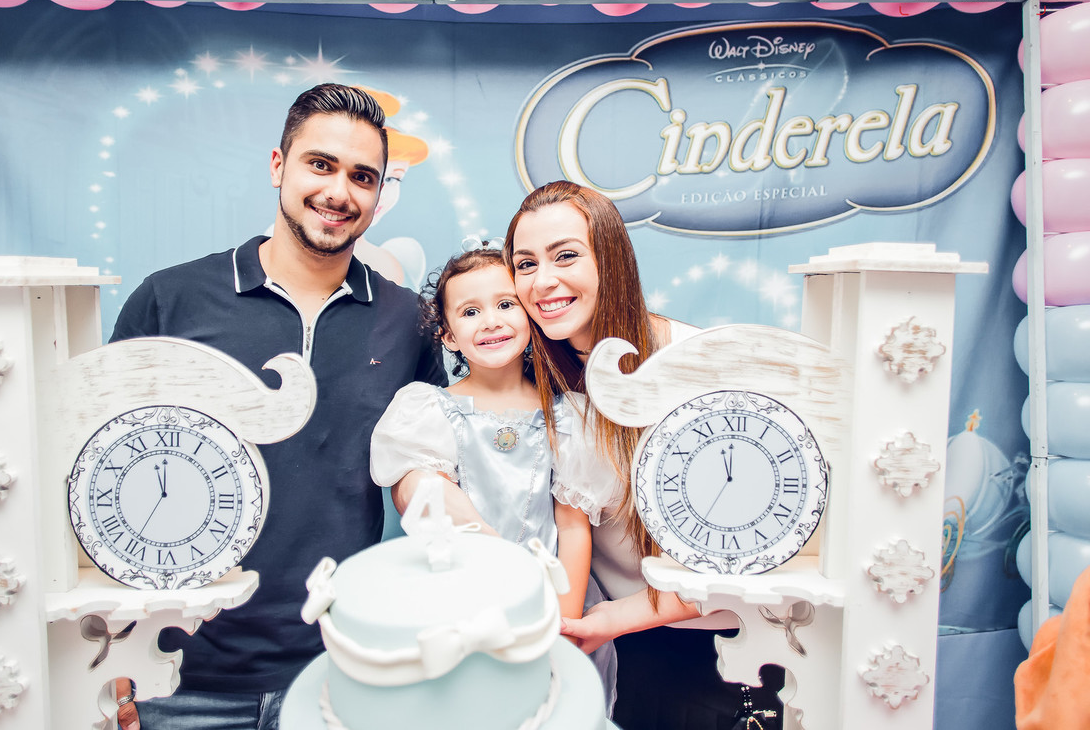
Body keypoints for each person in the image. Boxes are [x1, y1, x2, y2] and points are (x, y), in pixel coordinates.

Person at [109, 82, 445, 729]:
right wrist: (119, 658)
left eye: (362, 176)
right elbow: (108, 481)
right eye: (320, 164)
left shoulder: (409, 322)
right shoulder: (171, 301)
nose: (339, 192)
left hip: (340, 675)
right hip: (180, 676)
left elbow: (423, 474)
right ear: (277, 166)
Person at [503, 180, 783, 730]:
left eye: (565, 256)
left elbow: (761, 542)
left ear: (610, 259)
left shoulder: (697, 365)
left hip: (738, 651)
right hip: (632, 656)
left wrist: (618, 617)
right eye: (525, 263)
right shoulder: (547, 383)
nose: (544, 281)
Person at [369, 243, 618, 706]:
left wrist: (562, 631)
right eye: (470, 311)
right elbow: (426, 505)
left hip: (549, 600)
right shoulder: (430, 411)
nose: (491, 321)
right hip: (459, 604)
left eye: (506, 305)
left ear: (529, 314)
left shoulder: (566, 416)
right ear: (447, 334)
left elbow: (572, 526)